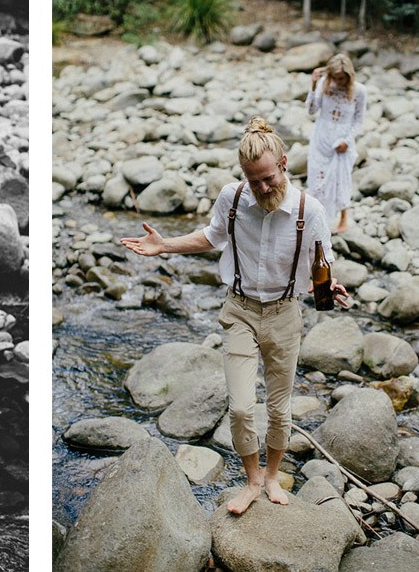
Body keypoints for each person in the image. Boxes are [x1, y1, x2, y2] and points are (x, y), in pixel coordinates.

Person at [120, 116, 349, 515]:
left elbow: (320, 263)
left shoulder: (309, 211)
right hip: (239, 310)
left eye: (268, 179)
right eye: (253, 180)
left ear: (284, 164)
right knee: (242, 407)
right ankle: (252, 479)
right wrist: (165, 245)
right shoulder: (233, 197)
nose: (262, 189)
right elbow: (211, 236)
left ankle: (273, 476)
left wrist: (329, 287)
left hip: (284, 313)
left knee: (279, 408)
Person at [306, 53, 367, 233]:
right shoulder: (325, 85)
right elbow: (311, 110)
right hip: (321, 138)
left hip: (342, 141)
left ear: (349, 75)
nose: (339, 82)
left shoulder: (359, 91)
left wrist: (347, 141)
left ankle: (343, 218)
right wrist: (313, 85)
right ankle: (317, 216)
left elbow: (358, 120)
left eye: (342, 78)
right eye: (335, 78)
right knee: (317, 178)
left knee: (341, 179)